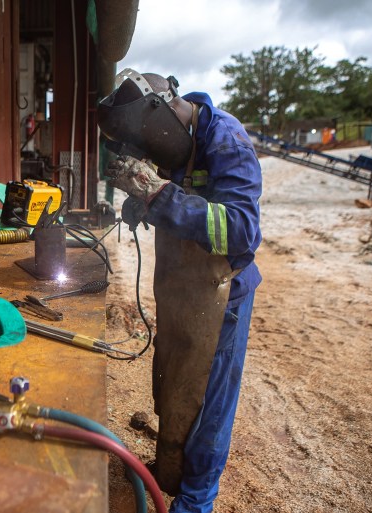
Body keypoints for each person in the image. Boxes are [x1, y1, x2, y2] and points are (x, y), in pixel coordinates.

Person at [97, 69, 262, 513]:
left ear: (165, 107)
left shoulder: (224, 139)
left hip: (221, 291)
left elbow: (242, 231)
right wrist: (142, 203)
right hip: (179, 286)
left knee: (208, 402)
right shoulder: (174, 140)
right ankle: (170, 470)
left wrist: (157, 195)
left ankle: (195, 500)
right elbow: (181, 201)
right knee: (173, 383)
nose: (153, 157)